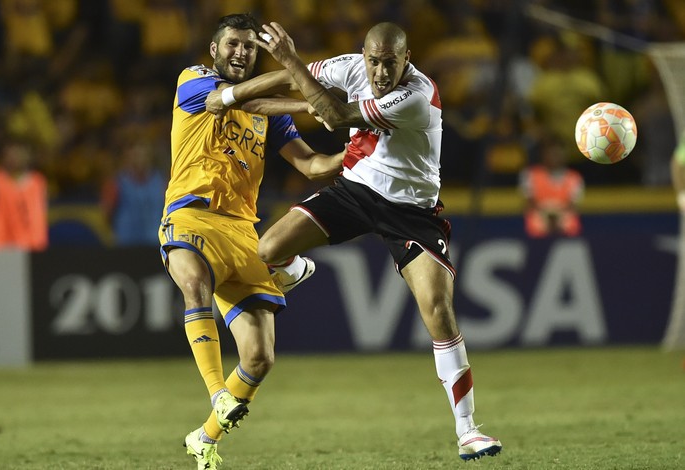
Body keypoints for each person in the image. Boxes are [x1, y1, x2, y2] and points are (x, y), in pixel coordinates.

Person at [207, 21, 502, 461]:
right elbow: (297, 78)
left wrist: (285, 68)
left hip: (412, 211)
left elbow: (336, 114)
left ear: (407, 60)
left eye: (390, 62)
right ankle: (295, 270)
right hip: (356, 190)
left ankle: (468, 430)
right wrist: (232, 96)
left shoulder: (417, 96)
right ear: (363, 56)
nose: (381, 72)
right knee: (267, 251)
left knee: (438, 311)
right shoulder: (351, 67)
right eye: (374, 61)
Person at [158, 14, 344, 470]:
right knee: (194, 284)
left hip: (242, 231)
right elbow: (231, 99)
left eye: (249, 47)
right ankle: (218, 392)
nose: (241, 52)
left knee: (260, 358)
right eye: (234, 44)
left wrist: (358, 154)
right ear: (214, 49)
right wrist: (309, 77)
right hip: (191, 213)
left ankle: (204, 438)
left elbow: (313, 166)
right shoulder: (193, 81)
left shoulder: (268, 118)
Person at [519, 137, 585, 238]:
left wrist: (557, 215)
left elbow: (574, 206)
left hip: (563, 219)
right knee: (534, 219)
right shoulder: (530, 175)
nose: (555, 157)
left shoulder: (574, 177)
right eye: (551, 153)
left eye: (558, 153)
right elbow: (528, 202)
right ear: (544, 155)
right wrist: (546, 213)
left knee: (570, 219)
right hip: (539, 217)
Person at [0, 138, 48, 251]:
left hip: (33, 246)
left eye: (19, 153)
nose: (15, 158)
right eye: (10, 153)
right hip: (2, 248)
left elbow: (41, 214)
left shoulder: (38, 182)